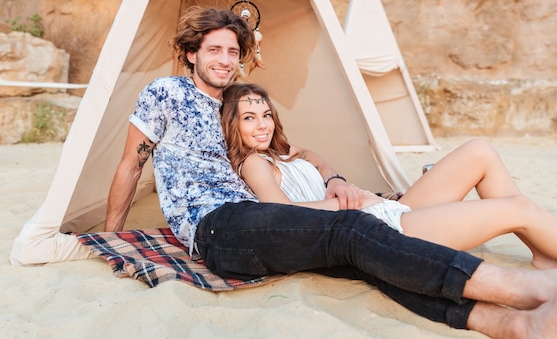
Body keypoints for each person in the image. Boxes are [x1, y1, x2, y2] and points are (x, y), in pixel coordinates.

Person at [104, 6, 557, 339]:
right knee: (356, 229)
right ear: (191, 53)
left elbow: (291, 152)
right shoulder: (166, 93)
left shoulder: (238, 105)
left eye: (232, 52)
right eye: (214, 50)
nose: (226, 60)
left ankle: (516, 328)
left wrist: (335, 178)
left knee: (369, 257)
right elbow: (130, 164)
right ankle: (533, 289)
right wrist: (113, 237)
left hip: (264, 219)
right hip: (218, 224)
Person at [220, 82, 557, 270]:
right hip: (381, 231)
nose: (262, 124)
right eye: (249, 118)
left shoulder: (278, 151)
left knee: (479, 151)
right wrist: (347, 204)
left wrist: (333, 179)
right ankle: (541, 241)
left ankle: (542, 251)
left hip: (380, 210)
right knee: (518, 207)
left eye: (266, 114)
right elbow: (281, 216)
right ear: (232, 125)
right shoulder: (253, 163)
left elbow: (310, 155)